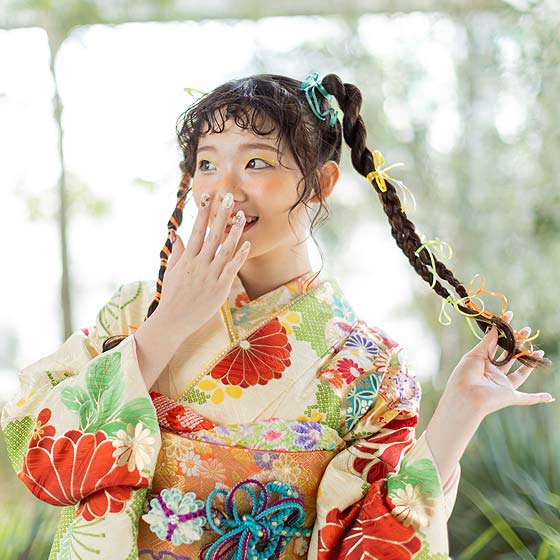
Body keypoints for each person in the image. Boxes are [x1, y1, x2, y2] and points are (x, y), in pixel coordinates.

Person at [1, 72, 553, 560]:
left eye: (256, 162)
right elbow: (39, 456)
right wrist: (169, 323)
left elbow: (370, 542)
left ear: (321, 184)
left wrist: (458, 414)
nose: (223, 190)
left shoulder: (371, 366)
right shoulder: (136, 311)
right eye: (207, 164)